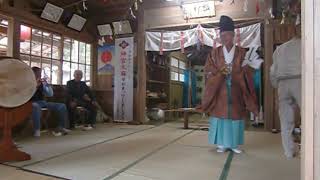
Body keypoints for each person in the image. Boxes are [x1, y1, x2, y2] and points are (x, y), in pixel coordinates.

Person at [198, 16, 258, 154]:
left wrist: (242, 71)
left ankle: (234, 144)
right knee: (221, 116)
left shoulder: (242, 52)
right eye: (223, 35)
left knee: (235, 116)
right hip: (220, 90)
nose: (225, 38)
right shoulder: (214, 53)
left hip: (237, 89)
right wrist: (220, 73)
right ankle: (222, 144)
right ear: (220, 36)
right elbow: (208, 71)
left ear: (233, 35)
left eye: (228, 35)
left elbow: (248, 72)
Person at [270, 21, 301, 159]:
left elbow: (273, 71)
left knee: (285, 120)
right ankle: (308, 148)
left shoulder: (280, 48)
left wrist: (276, 85)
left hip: (282, 82)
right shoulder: (307, 44)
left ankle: (289, 151)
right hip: (300, 80)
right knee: (308, 117)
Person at [31, 67, 70, 137]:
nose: (39, 75)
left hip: (43, 102)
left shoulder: (41, 83)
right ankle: (37, 130)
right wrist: (36, 86)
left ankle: (61, 127)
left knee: (62, 106)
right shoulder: (28, 82)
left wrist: (47, 85)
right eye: (37, 73)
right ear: (32, 73)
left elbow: (50, 95)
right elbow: (28, 95)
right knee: (35, 106)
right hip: (32, 102)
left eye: (40, 73)